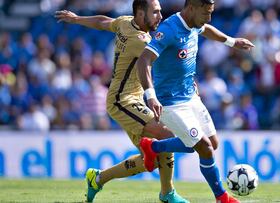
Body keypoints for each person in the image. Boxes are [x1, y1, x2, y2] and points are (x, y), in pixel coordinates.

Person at [55, 1, 190, 203]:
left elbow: (103, 22)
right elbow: (167, 62)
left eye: (160, 11)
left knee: (150, 159)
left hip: (133, 100)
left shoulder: (125, 22)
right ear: (140, 13)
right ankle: (167, 193)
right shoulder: (141, 40)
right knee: (166, 134)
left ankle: (98, 178)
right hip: (122, 100)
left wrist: (77, 19)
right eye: (155, 12)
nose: (160, 16)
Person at [136, 0, 254, 203]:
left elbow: (205, 29)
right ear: (191, 8)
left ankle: (152, 147)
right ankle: (222, 197)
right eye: (206, 13)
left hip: (191, 96)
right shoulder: (170, 29)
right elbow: (143, 61)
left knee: (211, 144)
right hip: (169, 102)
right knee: (204, 147)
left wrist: (232, 42)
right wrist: (151, 96)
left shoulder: (195, 24)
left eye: (211, 13)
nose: (208, 18)